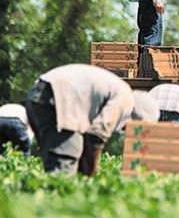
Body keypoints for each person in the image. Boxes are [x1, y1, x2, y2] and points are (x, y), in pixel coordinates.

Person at [25, 64, 159, 176]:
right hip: (56, 96)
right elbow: (96, 136)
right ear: (137, 118)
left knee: (56, 160)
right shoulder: (126, 99)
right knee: (64, 166)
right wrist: (91, 174)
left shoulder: (117, 88)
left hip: (37, 94)